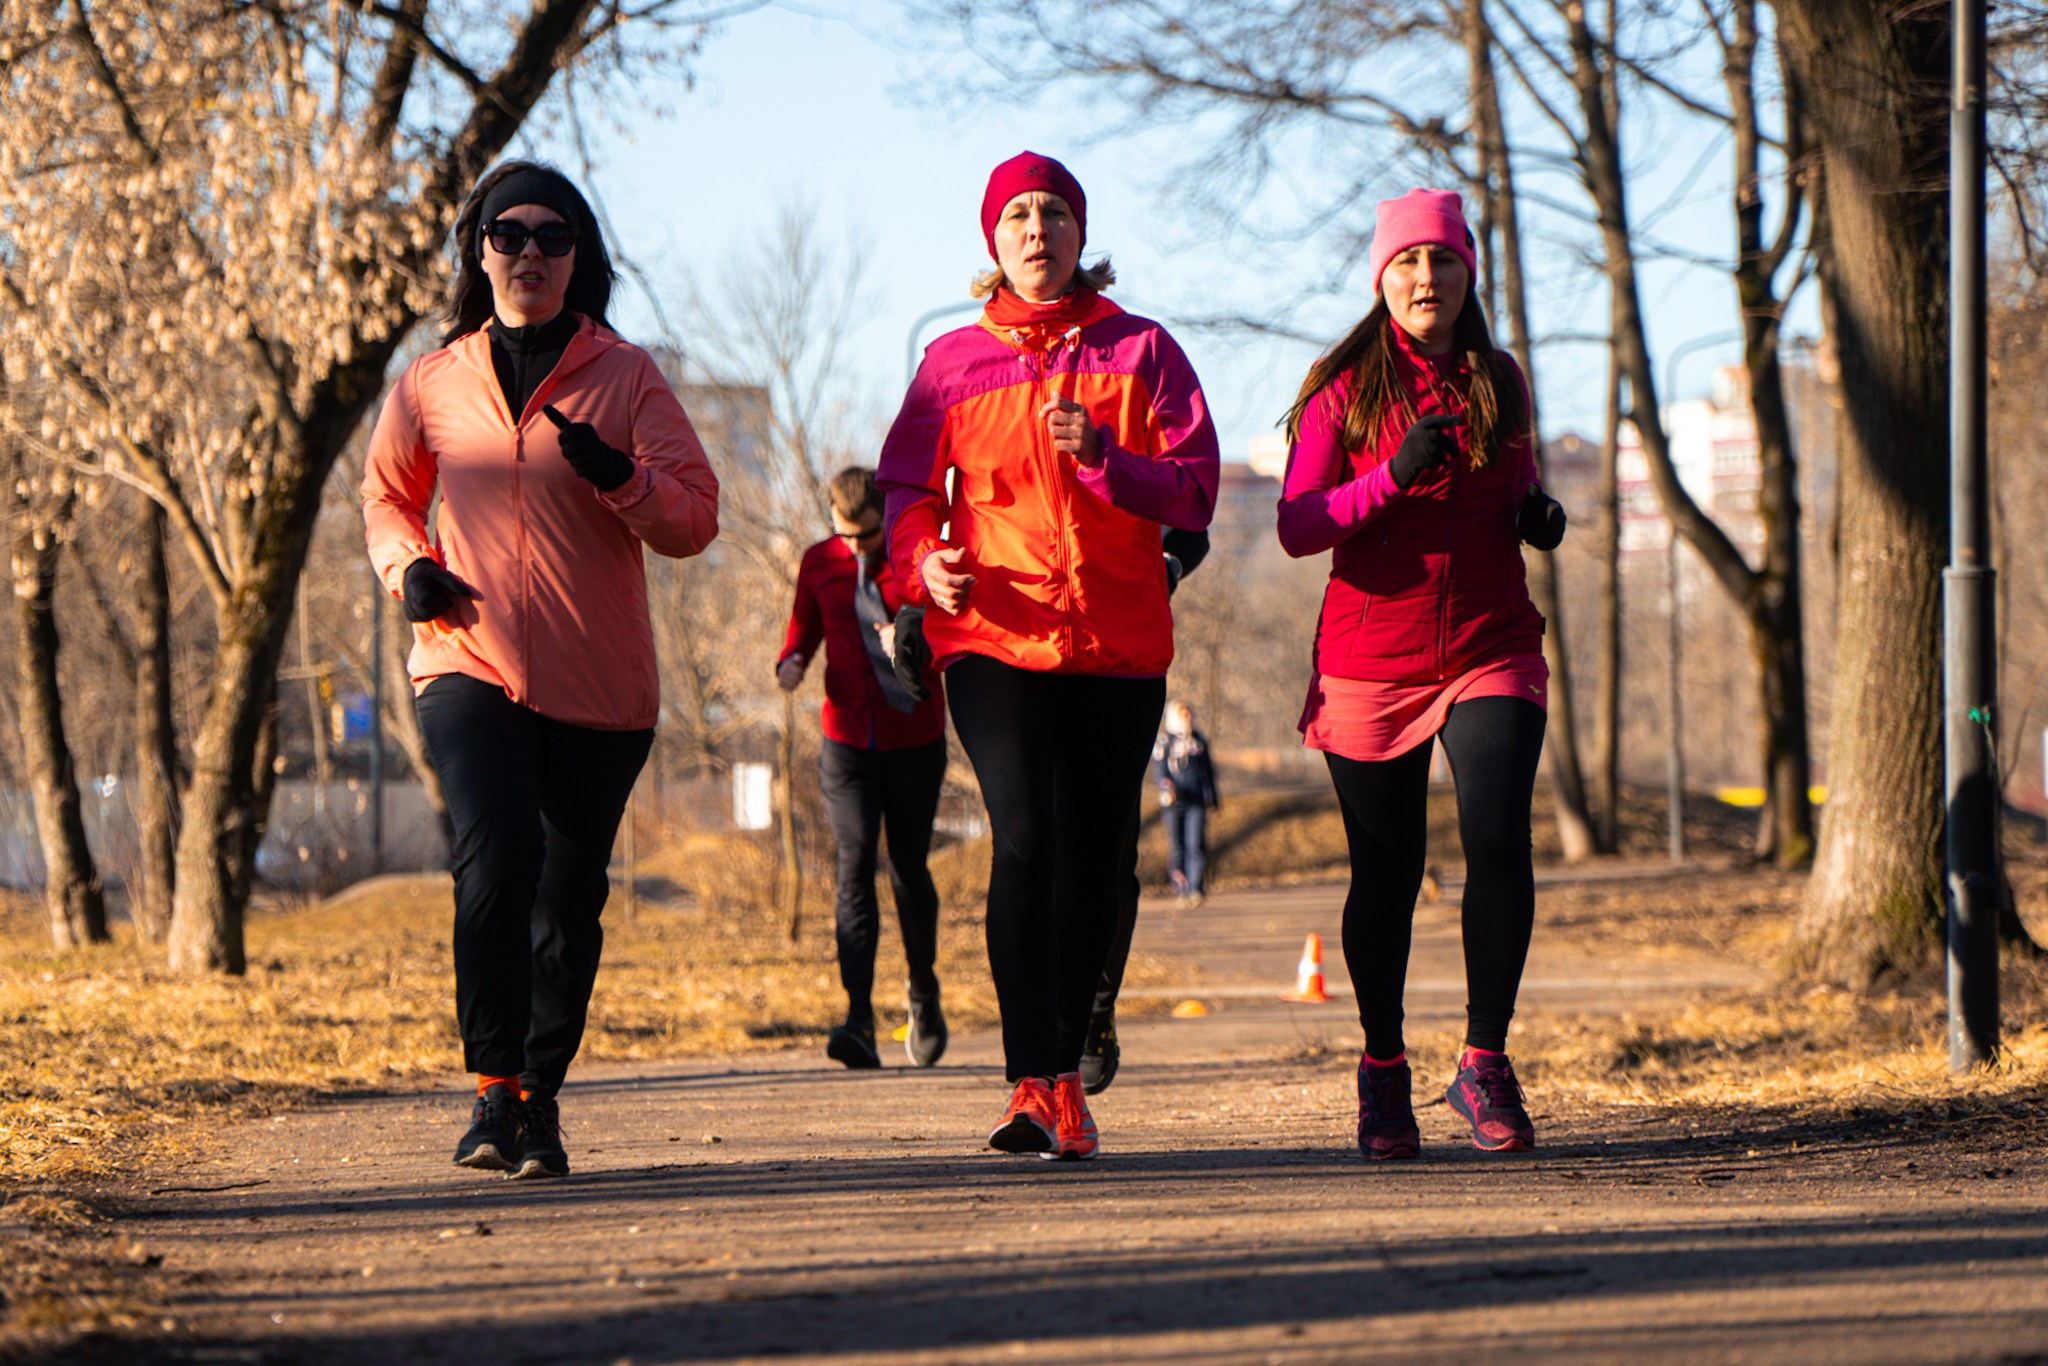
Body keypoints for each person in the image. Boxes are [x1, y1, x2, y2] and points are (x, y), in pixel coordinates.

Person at [361, 161, 720, 1179]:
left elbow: (695, 517)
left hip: (599, 684)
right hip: (466, 658)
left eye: (551, 236)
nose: (528, 252)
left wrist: (624, 479)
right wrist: (409, 568)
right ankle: (490, 1092)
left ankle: (539, 1096)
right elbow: (385, 497)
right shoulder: (431, 380)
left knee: (566, 901)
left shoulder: (626, 376)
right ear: (478, 251)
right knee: (495, 864)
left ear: (579, 255)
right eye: (507, 234)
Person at [878, 151, 1218, 1160]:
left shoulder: (1141, 351)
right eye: (1017, 215)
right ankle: (1035, 1081)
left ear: (1079, 235)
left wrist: (1104, 461)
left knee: (1095, 861)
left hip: (1117, 643)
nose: (1036, 229)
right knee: (1025, 840)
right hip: (995, 633)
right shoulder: (950, 362)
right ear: (992, 241)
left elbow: (1194, 492)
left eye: (1053, 213)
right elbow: (905, 489)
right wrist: (917, 568)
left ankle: (1066, 1063)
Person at [1275, 188, 1566, 1161]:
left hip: (1490, 640)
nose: (1424, 279)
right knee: (1386, 873)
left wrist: (1536, 515)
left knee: (1494, 837)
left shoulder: (1500, 378)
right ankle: (1382, 1068)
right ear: (1381, 277)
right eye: (1405, 263)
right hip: (1370, 657)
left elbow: (1518, 483)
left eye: (1440, 261)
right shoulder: (1340, 384)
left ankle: (1482, 1060)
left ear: (1465, 272)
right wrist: (1390, 473)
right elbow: (1297, 524)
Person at [776, 467, 950, 1071]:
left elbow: (952, 633)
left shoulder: (917, 559)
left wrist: (910, 639)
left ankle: (923, 991)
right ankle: (858, 1019)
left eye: (867, 536)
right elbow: (804, 628)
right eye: (845, 536)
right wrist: (792, 661)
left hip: (913, 738)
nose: (855, 548)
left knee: (906, 869)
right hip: (846, 740)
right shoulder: (818, 561)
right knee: (853, 869)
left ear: (886, 517)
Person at [1079, 527, 1208, 1096]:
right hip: (1025, 656)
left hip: (1118, 664)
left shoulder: (1127, 446)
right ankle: (1036, 1045)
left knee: (1110, 865)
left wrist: (1168, 561)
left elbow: (1192, 518)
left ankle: (1095, 1013)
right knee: (1028, 852)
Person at [1153, 700, 1221, 907]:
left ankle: (1196, 889)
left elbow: (1208, 771)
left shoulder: (1198, 741)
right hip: (1173, 804)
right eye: (1183, 714)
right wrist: (1167, 789)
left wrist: (1213, 798)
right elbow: (1160, 771)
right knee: (1178, 847)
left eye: (1189, 714)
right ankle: (1180, 889)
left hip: (1196, 802)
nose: (1187, 718)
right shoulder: (1164, 742)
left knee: (1196, 844)